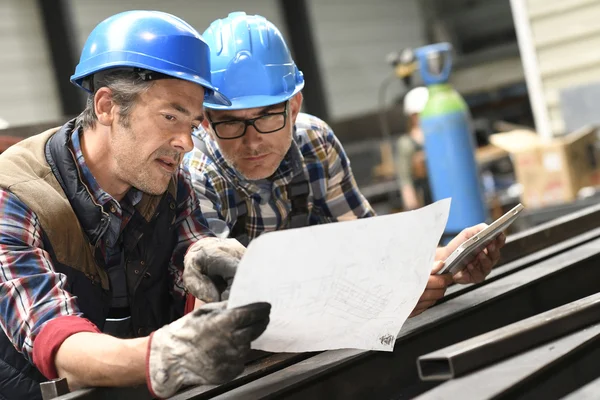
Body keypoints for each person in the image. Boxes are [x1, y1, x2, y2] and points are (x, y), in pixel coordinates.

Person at [0, 11, 270, 400]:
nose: (187, 143)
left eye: (192, 124)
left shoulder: (168, 182)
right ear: (108, 106)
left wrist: (206, 262)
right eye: (169, 116)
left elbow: (189, 266)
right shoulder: (15, 198)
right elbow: (59, 344)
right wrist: (166, 354)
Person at [182, 12, 506, 316]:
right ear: (206, 121)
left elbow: (367, 248)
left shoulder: (314, 144)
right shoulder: (195, 176)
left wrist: (442, 261)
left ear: (293, 107)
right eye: (230, 123)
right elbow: (230, 306)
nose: (251, 142)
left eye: (266, 117)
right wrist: (383, 295)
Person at [395, 86, 431, 211]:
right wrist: (412, 205)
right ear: (412, 115)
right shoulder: (406, 143)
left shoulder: (438, 135)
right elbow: (405, 178)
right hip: (426, 198)